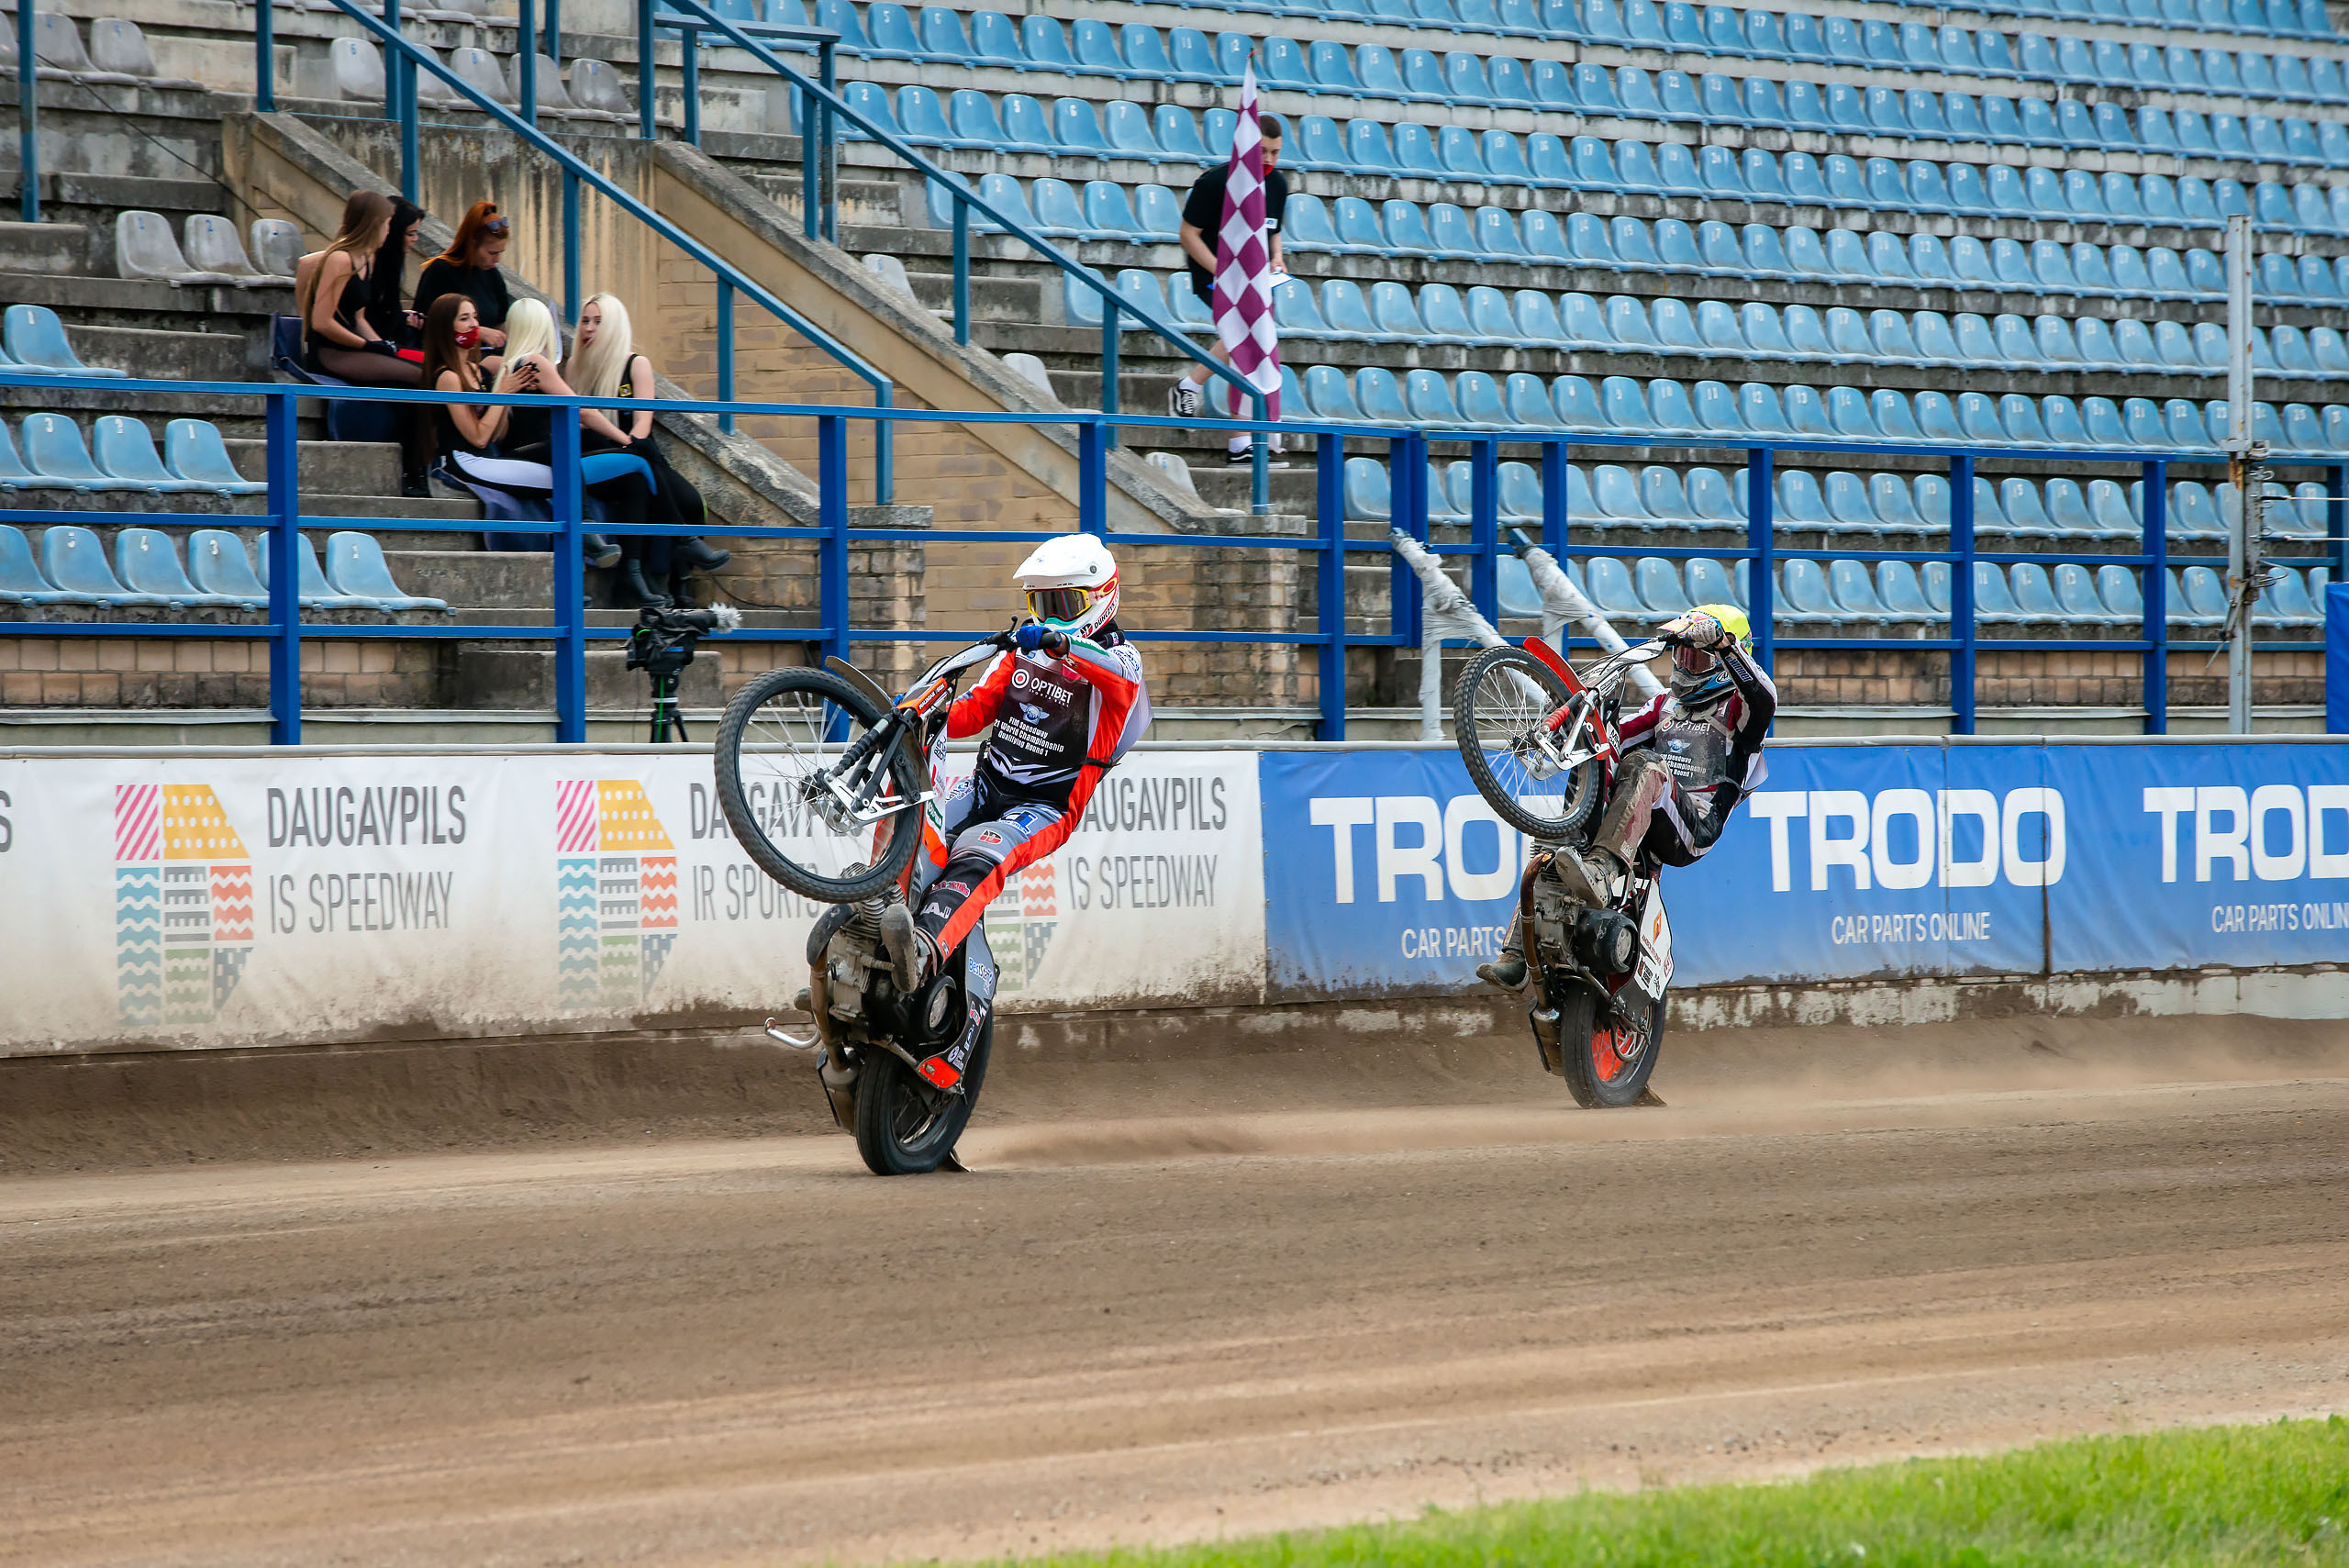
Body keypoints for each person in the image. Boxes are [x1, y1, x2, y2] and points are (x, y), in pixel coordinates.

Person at [874, 534, 1151, 992]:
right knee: (915, 826)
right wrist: (925, 711)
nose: (1051, 617)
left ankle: (921, 950)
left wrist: (1060, 643)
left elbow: (1116, 674)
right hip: (985, 784)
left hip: (1046, 808)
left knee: (978, 852)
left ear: (1102, 596)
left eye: (1065, 603)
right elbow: (975, 710)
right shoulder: (1024, 649)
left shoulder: (1123, 659)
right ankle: (865, 927)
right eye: (1041, 604)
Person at [1477, 606, 1778, 991]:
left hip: (1693, 828)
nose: (1687, 666)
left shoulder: (1739, 712)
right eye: (1683, 655)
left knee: (1646, 765)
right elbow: (1614, 739)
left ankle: (1602, 869)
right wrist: (1569, 725)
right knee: (1591, 757)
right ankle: (1518, 953)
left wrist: (1723, 645)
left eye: (1699, 657)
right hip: (1642, 814)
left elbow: (1764, 698)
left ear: (1723, 661)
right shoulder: (1664, 706)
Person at [436, 298, 678, 598]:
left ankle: (630, 565)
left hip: (511, 458)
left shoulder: (484, 369)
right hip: (473, 460)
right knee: (621, 464)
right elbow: (482, 438)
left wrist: (505, 393)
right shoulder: (461, 374)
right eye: (465, 318)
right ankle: (670, 543)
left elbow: (497, 431)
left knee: (616, 474)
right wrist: (504, 393)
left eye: (475, 316)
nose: (475, 324)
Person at [569, 291, 731, 599]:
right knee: (641, 479)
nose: (589, 328)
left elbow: (643, 422)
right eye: (585, 321)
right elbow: (576, 421)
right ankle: (671, 555)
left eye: (598, 322)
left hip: (636, 448)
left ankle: (680, 576)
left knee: (691, 501)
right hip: (600, 453)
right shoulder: (575, 366)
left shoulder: (636, 364)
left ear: (615, 326)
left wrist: (630, 447)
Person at [1166, 115, 1287, 466]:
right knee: (1246, 333)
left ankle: (1237, 441)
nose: (1269, 159)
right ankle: (1195, 391)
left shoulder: (1278, 183)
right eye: (1262, 151)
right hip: (1213, 273)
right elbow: (1187, 235)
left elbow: (1273, 230)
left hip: (1255, 278)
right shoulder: (1215, 182)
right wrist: (1222, 271)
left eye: (1275, 152)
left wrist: (1278, 258)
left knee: (1251, 344)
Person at [295, 189, 429, 495]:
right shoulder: (341, 259)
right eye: (386, 224)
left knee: (424, 371)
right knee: (419, 376)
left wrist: (382, 346)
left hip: (355, 348)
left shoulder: (366, 258)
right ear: (372, 224)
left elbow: (358, 317)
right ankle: (412, 471)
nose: (389, 231)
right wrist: (367, 347)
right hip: (331, 352)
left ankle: (417, 466)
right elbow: (322, 322)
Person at [414, 201, 513, 350]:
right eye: (492, 253)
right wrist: (476, 333)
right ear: (472, 244)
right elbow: (426, 323)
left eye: (500, 253)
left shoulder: (491, 273)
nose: (497, 260)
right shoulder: (440, 271)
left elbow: (501, 320)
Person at [366, 196, 428, 353]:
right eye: (411, 234)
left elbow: (381, 312)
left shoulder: (392, 264)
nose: (415, 239)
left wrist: (400, 316)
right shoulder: (366, 262)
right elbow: (364, 317)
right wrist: (383, 348)